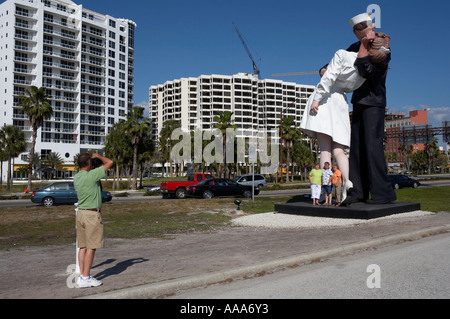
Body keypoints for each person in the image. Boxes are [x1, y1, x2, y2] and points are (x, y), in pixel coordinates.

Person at [300, 45, 366, 205]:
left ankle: (326, 186)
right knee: (339, 150)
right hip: (340, 105)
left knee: (325, 150)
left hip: (325, 103)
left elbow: (327, 78)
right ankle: (347, 181)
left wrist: (316, 99)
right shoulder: (357, 70)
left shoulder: (339, 60)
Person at [342, 12, 397, 206]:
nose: (360, 35)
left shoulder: (381, 45)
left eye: (362, 30)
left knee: (373, 148)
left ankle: (384, 194)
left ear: (370, 29)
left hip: (374, 102)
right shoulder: (355, 47)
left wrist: (365, 47)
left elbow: (369, 72)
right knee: (356, 149)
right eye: (357, 32)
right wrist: (324, 68)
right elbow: (339, 59)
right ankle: (358, 193)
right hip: (358, 102)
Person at [74, 153, 113, 288]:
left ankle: (82, 276)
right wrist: (99, 156)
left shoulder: (77, 177)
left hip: (81, 213)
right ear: (89, 163)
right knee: (92, 246)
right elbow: (109, 162)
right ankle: (86, 277)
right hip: (91, 215)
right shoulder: (92, 175)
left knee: (82, 246)